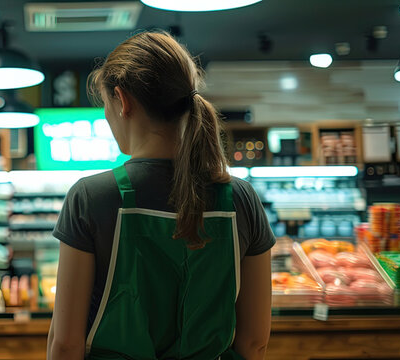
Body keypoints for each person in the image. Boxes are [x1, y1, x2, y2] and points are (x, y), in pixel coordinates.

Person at [47, 31, 275, 360]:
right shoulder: (240, 199)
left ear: (123, 101)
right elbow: (254, 342)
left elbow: (66, 344)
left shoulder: (90, 197)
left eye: (106, 105)